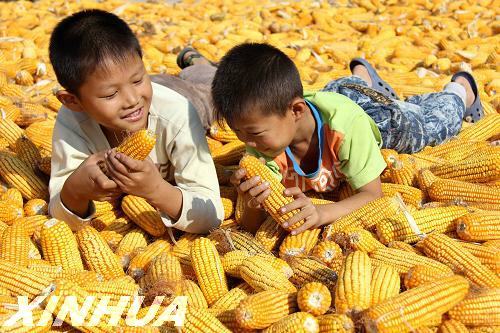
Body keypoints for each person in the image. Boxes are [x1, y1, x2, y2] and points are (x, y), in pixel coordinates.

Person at [194, 42, 482, 234]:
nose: (248, 144)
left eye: (254, 133)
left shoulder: (347, 127)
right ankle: (360, 76)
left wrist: (323, 214)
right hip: (325, 98)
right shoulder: (261, 144)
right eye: (239, 133)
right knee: (342, 90)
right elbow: (251, 224)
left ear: (295, 110)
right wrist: (251, 203)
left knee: (426, 128)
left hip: (368, 115)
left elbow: (372, 196)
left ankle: (459, 89)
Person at [48, 9, 224, 233]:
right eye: (110, 94)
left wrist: (157, 190)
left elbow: (212, 213)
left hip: (186, 97)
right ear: (72, 101)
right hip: (153, 88)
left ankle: (197, 63)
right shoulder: (71, 122)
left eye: (139, 78)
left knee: (212, 90)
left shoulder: (179, 113)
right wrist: (75, 190)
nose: (131, 100)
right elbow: (58, 213)